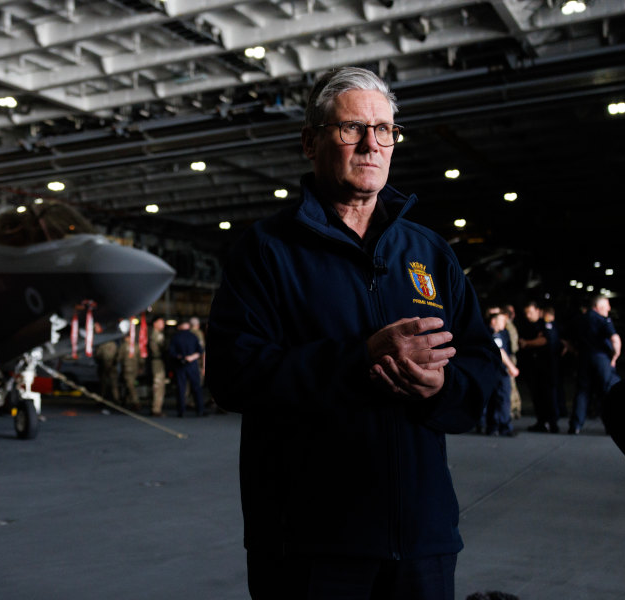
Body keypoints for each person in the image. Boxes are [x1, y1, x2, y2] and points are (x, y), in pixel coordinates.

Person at [207, 66, 500, 599]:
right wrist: (358, 359)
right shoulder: (267, 250)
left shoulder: (429, 252)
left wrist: (442, 389)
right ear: (309, 141)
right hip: (310, 547)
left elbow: (481, 368)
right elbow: (233, 376)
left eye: (384, 129)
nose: (371, 143)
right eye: (351, 129)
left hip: (423, 541)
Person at [569, 296, 620, 434]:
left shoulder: (579, 319)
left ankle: (575, 426)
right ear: (599, 306)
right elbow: (615, 339)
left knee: (582, 392)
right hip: (601, 359)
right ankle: (611, 426)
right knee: (607, 392)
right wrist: (615, 357)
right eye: (607, 306)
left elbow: (569, 341)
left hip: (583, 358)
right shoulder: (603, 320)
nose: (609, 309)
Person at [518, 301, 558, 433]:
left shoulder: (544, 324)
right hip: (533, 367)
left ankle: (551, 423)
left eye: (530, 312)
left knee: (548, 396)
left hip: (546, 367)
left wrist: (528, 343)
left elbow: (545, 340)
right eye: (526, 313)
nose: (528, 315)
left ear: (537, 311)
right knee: (537, 396)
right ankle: (541, 422)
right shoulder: (528, 325)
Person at [484, 311, 519, 437]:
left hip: (492, 371)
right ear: (494, 321)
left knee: (494, 399)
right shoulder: (495, 334)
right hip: (500, 372)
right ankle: (504, 427)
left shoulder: (489, 332)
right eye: (502, 321)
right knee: (503, 398)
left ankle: (492, 427)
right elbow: (501, 351)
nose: (504, 324)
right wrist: (511, 367)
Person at [168, 321, 204, 417]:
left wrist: (182, 357)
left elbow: (171, 353)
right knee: (196, 387)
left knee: (181, 388)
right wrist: (191, 357)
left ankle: (181, 411)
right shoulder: (193, 336)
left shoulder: (175, 337)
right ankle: (200, 410)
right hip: (192, 365)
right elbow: (200, 351)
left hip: (180, 365)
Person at [147, 317, 167, 417]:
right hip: (157, 361)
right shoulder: (156, 335)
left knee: (158, 385)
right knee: (158, 385)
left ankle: (156, 407)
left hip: (157, 361)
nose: (163, 324)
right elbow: (161, 348)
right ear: (155, 323)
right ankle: (156, 409)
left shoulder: (155, 334)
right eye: (161, 322)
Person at [116, 333, 141, 410]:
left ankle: (135, 402)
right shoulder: (136, 346)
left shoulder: (124, 346)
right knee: (129, 385)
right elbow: (141, 359)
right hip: (134, 369)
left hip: (127, 369)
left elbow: (119, 357)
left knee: (130, 385)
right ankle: (126, 401)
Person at [93, 335, 120, 404]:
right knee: (113, 385)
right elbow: (118, 356)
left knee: (104, 385)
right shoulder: (114, 345)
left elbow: (97, 355)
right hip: (110, 366)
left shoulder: (101, 344)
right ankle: (116, 400)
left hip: (105, 366)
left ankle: (102, 399)